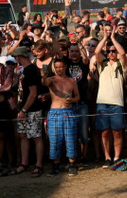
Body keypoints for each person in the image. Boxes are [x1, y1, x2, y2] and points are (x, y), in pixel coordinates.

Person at [94, 28, 127, 168]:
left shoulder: (121, 65)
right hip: (102, 103)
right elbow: (96, 52)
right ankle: (107, 157)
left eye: (113, 51)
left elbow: (123, 53)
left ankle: (117, 157)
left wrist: (113, 38)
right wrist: (105, 38)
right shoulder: (103, 64)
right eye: (109, 51)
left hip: (117, 103)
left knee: (117, 132)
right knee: (104, 132)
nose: (111, 53)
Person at [41, 58, 80, 176]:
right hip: (55, 112)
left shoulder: (72, 81)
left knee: (71, 139)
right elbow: (44, 83)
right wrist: (43, 76)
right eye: (56, 67)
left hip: (69, 111)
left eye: (60, 67)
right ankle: (55, 166)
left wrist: (72, 99)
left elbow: (78, 96)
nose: (58, 69)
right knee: (54, 141)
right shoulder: (51, 80)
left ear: (65, 67)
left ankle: (72, 165)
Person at [10, 47, 45, 177]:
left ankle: (38, 165)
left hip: (32, 109)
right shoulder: (26, 70)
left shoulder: (31, 70)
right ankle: (24, 163)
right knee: (24, 136)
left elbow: (33, 93)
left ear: (19, 57)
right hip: (24, 109)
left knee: (36, 136)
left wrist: (24, 109)